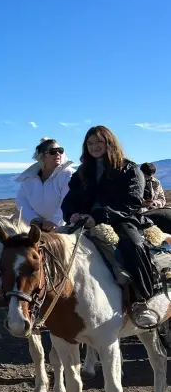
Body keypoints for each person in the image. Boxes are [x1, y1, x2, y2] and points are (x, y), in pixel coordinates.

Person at [61, 126, 158, 329]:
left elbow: (131, 202)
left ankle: (141, 301)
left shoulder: (129, 169)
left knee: (133, 244)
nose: (94, 147)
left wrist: (97, 217)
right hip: (83, 222)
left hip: (120, 220)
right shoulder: (83, 172)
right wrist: (72, 214)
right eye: (90, 143)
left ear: (109, 143)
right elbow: (70, 199)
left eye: (99, 142)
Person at [15, 137, 76, 231]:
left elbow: (68, 200)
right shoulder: (28, 179)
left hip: (67, 228)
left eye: (60, 150)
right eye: (53, 151)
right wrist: (33, 219)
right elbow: (22, 202)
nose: (58, 154)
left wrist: (55, 222)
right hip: (36, 229)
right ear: (42, 156)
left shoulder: (68, 175)